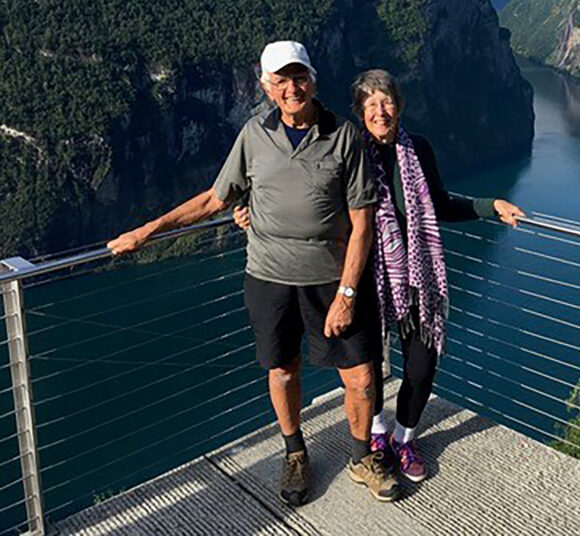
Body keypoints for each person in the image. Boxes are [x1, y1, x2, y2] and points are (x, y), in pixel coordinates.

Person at [108, 41, 398, 506]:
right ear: (266, 87)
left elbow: (363, 223)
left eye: (297, 77)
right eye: (279, 81)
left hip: (332, 278)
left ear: (313, 79)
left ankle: (362, 456)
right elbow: (214, 199)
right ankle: (295, 451)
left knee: (362, 377)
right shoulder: (253, 135)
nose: (290, 88)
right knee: (283, 370)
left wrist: (347, 292)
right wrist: (148, 230)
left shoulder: (345, 135)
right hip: (269, 278)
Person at [234, 68, 524, 483]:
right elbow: (301, 198)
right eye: (370, 104)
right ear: (358, 112)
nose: (380, 111)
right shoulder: (345, 149)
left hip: (415, 275)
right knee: (364, 371)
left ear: (399, 105)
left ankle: (405, 438)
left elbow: (438, 204)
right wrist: (248, 211)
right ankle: (376, 435)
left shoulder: (417, 149)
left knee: (422, 366)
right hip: (365, 279)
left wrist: (488, 205)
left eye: (386, 101)